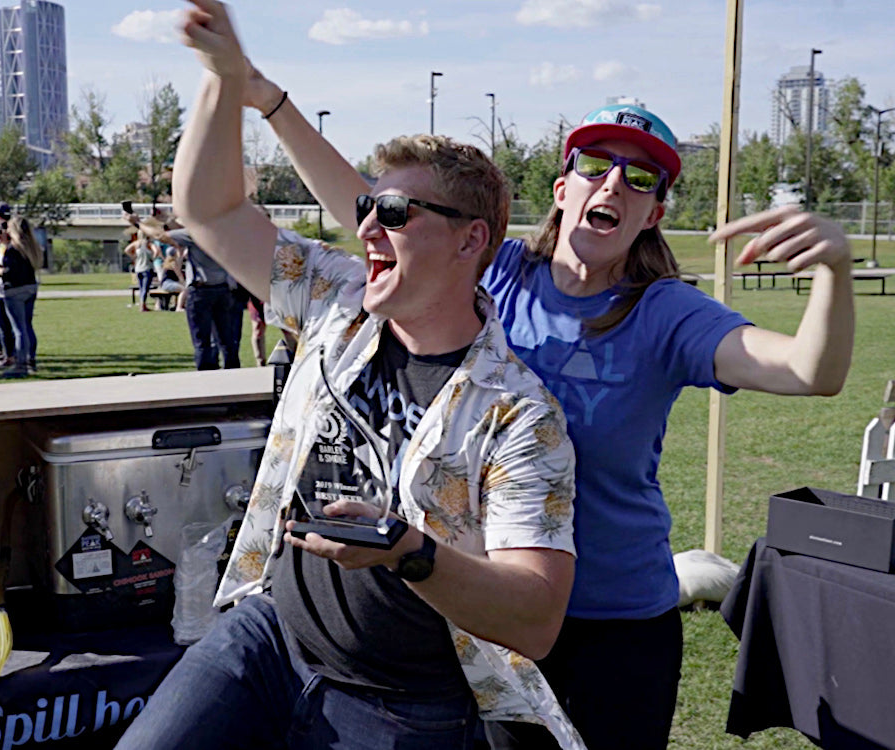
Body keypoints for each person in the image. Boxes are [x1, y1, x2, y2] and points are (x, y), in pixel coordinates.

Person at [240, 65, 855, 750]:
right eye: (596, 164)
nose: (615, 182)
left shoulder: (666, 316)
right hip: (485, 605)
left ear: (653, 214)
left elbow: (809, 371)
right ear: (564, 190)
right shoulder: (492, 271)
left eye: (642, 178)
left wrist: (834, 270)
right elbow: (375, 205)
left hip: (613, 626)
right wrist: (270, 102)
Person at [116, 3, 583, 749]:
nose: (365, 226)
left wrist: (409, 552)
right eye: (366, 206)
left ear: (471, 240)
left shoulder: (521, 416)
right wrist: (223, 81)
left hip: (407, 700)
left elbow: (535, 615)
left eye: (393, 210)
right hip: (269, 638)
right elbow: (209, 208)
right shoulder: (340, 302)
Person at [136, 216, 248, 369]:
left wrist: (137, 223)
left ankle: (205, 374)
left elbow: (159, 235)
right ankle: (233, 374)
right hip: (223, 289)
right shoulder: (227, 233)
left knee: (202, 341)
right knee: (227, 340)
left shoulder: (195, 234)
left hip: (201, 290)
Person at [0, 218, 42, 378]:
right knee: (27, 326)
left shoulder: (13, 250)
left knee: (19, 330)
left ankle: (21, 364)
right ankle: (31, 359)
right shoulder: (31, 248)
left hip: (15, 291)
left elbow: (9, 272)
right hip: (30, 288)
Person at [0, 201, 17, 367]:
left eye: (0, 232)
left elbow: (7, 269)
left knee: (14, 325)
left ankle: (18, 356)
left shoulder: (12, 245)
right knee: (1, 324)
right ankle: (8, 355)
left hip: (10, 290)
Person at [124, 230, 159, 312]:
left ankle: (142, 304)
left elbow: (127, 250)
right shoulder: (149, 244)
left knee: (141, 288)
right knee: (145, 288)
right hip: (147, 268)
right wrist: (152, 258)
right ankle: (143, 305)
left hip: (138, 268)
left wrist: (134, 256)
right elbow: (156, 251)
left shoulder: (136, 244)